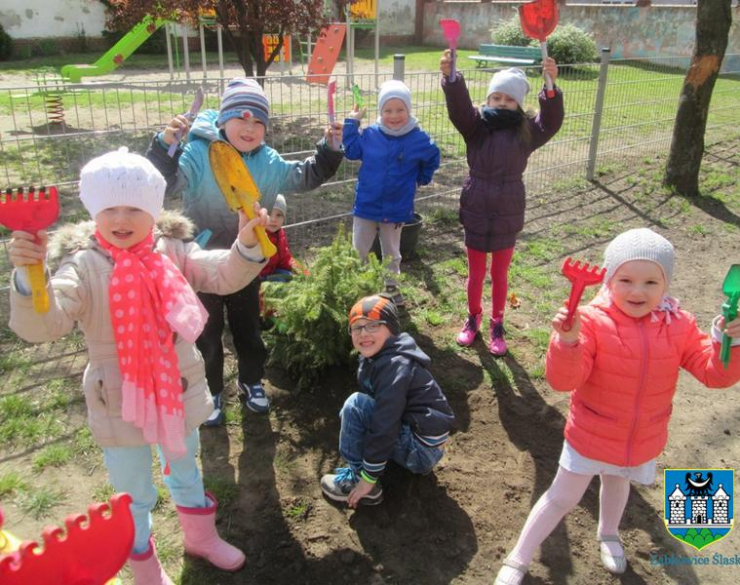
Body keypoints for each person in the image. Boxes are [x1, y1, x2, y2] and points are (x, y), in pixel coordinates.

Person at [7, 148, 271, 584]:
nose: (121, 218)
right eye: (110, 208)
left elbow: (224, 274)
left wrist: (245, 243)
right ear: (95, 212)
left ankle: (200, 539)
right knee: (135, 493)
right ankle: (145, 566)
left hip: (176, 384)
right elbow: (42, 325)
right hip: (119, 398)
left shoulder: (173, 251)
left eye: (134, 208)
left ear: (154, 211)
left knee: (186, 466)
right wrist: (28, 276)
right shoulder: (83, 267)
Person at [494, 228, 740, 585]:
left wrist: (730, 341)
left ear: (666, 285)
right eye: (626, 279)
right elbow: (564, 381)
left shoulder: (679, 325)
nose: (637, 291)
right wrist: (567, 341)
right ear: (609, 279)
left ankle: (609, 534)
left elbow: (715, 375)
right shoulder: (593, 321)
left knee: (618, 483)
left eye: (650, 282)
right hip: (591, 434)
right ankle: (518, 558)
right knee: (562, 497)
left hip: (642, 437)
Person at [147, 77, 344, 424]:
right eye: (241, 118)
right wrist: (165, 147)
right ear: (223, 121)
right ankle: (212, 391)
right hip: (201, 262)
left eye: (258, 122)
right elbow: (166, 182)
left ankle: (251, 381)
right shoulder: (198, 152)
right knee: (205, 331)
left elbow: (307, 176)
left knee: (248, 328)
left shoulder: (269, 162)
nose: (250, 128)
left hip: (247, 258)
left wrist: (330, 148)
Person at [440, 51, 564, 356]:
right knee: (475, 273)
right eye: (496, 98)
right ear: (488, 100)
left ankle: (497, 323)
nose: (502, 103)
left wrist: (551, 90)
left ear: (519, 104)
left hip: (508, 211)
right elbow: (458, 109)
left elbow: (551, 121)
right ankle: (473, 318)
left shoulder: (527, 133)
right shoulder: (476, 127)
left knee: (500, 274)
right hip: (477, 209)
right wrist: (452, 79)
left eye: (509, 100)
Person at [320, 294, 455, 507]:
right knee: (364, 407)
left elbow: (385, 423)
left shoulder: (394, 366)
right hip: (424, 443)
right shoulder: (379, 356)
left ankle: (361, 482)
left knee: (355, 405)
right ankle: (381, 461)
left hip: (420, 452)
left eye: (373, 325)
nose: (363, 333)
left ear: (391, 329)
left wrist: (368, 477)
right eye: (357, 327)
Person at [344, 79, 440, 307]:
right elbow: (351, 151)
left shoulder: (419, 139)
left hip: (397, 208)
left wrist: (421, 179)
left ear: (408, 109)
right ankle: (355, 286)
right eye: (388, 110)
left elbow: (433, 157)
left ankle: (391, 289)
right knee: (359, 249)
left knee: (391, 252)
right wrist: (351, 124)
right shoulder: (369, 135)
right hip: (366, 205)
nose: (394, 115)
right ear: (380, 111)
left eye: (400, 110)